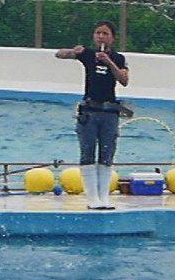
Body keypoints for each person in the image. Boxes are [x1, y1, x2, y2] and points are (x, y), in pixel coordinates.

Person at [55, 20, 129, 210]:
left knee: (107, 154)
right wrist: (74, 51)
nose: (101, 37)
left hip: (109, 112)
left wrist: (108, 61)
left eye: (105, 33)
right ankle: (92, 197)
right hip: (89, 111)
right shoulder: (88, 54)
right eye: (97, 33)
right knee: (88, 153)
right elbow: (59, 55)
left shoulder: (119, 58)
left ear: (112, 37)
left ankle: (104, 196)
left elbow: (124, 80)